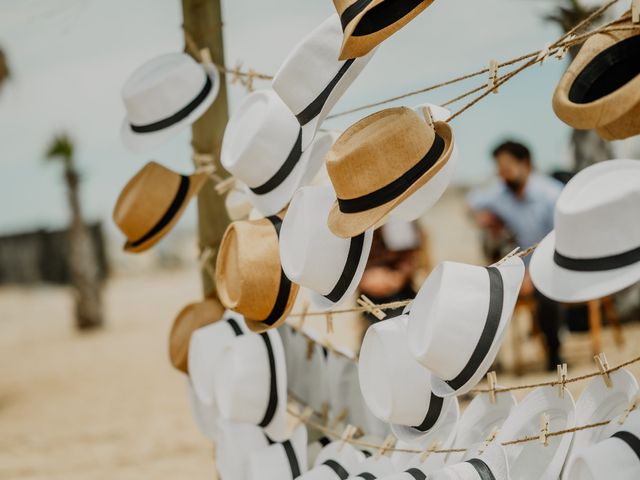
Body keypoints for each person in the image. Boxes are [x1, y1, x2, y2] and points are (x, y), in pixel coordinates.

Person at [468, 140, 565, 370]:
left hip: (553, 264)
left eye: (508, 167)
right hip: (518, 270)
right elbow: (470, 203)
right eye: (499, 169)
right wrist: (486, 218)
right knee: (480, 295)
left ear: (526, 165)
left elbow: (563, 241)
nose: (503, 174)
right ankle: (488, 364)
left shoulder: (551, 194)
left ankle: (554, 352)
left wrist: (533, 273)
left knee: (547, 296)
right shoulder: (500, 194)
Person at [358, 218, 422, 323]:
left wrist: (397, 277)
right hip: (367, 296)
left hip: (401, 292)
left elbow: (410, 257)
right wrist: (363, 279)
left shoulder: (398, 216)